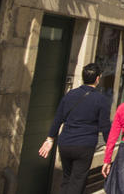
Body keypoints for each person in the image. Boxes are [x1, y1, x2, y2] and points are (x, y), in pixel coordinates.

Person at [39, 62, 112, 194]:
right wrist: (110, 147)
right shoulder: (101, 100)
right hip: (85, 145)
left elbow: (58, 118)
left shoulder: (70, 95)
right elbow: (105, 127)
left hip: (66, 143)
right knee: (78, 181)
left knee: (67, 179)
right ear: (97, 78)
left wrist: (50, 138)